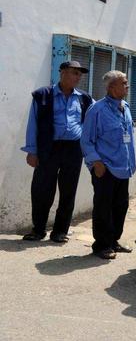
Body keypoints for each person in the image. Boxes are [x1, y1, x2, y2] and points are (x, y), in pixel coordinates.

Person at [21, 61, 93, 243]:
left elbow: (92, 121)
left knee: (68, 191)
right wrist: (32, 150)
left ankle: (60, 231)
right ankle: (38, 230)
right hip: (48, 148)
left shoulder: (84, 98)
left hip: (74, 149)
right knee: (42, 190)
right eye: (74, 73)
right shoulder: (43, 95)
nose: (78, 77)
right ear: (62, 73)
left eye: (79, 74)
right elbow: (33, 124)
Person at [80, 71, 136, 260]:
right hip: (105, 167)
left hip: (123, 167)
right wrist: (96, 162)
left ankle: (113, 241)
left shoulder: (125, 107)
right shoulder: (97, 110)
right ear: (111, 87)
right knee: (103, 206)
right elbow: (86, 140)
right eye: (124, 83)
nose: (127, 86)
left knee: (121, 205)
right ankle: (101, 245)